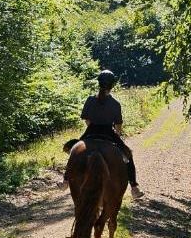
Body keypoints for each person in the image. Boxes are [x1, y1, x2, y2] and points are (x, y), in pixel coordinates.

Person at [60, 70, 143, 199]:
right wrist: (117, 134)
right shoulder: (115, 104)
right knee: (128, 155)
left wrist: (94, 127)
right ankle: (134, 186)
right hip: (108, 132)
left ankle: (65, 181)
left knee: (74, 152)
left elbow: (87, 120)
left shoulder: (90, 100)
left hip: (91, 130)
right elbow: (118, 126)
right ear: (112, 85)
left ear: (98, 83)